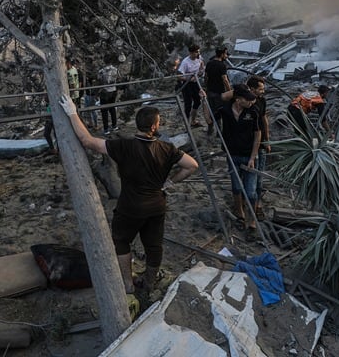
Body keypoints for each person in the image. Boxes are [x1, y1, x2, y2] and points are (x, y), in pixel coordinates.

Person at [59, 95, 198, 294]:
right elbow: (192, 165)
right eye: (158, 122)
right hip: (156, 205)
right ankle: (149, 283)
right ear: (153, 127)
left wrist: (72, 112)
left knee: (122, 241)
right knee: (153, 245)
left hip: (130, 206)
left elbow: (87, 141)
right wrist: (169, 182)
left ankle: (127, 284)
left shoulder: (123, 146)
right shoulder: (167, 148)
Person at [208, 84, 261, 234]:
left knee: (251, 191)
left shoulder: (253, 111)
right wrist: (204, 101)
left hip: (248, 155)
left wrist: (253, 157)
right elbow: (210, 119)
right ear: (238, 100)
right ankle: (240, 213)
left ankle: (252, 222)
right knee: (237, 187)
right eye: (248, 100)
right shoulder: (225, 110)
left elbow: (258, 135)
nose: (251, 102)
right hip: (232, 154)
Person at [204, 47, 231, 134]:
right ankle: (219, 133)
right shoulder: (222, 65)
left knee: (212, 111)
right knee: (219, 112)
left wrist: (206, 88)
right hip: (219, 93)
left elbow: (206, 77)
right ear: (222, 54)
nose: (226, 56)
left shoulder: (209, 63)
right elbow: (225, 80)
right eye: (226, 54)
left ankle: (210, 129)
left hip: (210, 91)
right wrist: (230, 91)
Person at [177, 45, 204, 127]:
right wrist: (188, 79)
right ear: (191, 53)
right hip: (187, 84)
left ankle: (193, 121)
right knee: (188, 104)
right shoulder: (185, 62)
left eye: (199, 51)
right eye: (196, 52)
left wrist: (201, 71)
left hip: (195, 83)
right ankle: (186, 124)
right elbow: (179, 76)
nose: (198, 53)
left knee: (197, 101)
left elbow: (201, 66)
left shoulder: (199, 58)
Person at [97, 56, 120, 136]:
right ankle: (114, 125)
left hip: (105, 91)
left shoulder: (101, 71)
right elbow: (118, 78)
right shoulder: (115, 69)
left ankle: (106, 129)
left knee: (104, 111)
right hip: (113, 90)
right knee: (112, 108)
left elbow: (99, 80)